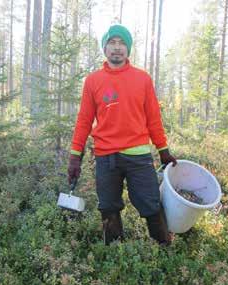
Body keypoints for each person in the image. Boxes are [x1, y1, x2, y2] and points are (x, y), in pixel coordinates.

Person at [68, 24, 177, 246]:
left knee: (150, 204)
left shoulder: (142, 79)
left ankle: (164, 248)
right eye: (112, 43)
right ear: (105, 48)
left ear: (128, 49)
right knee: (108, 207)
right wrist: (74, 156)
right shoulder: (93, 81)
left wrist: (163, 151)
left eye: (122, 43)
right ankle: (115, 254)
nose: (117, 48)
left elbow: (153, 119)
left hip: (139, 156)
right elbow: (84, 121)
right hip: (106, 157)